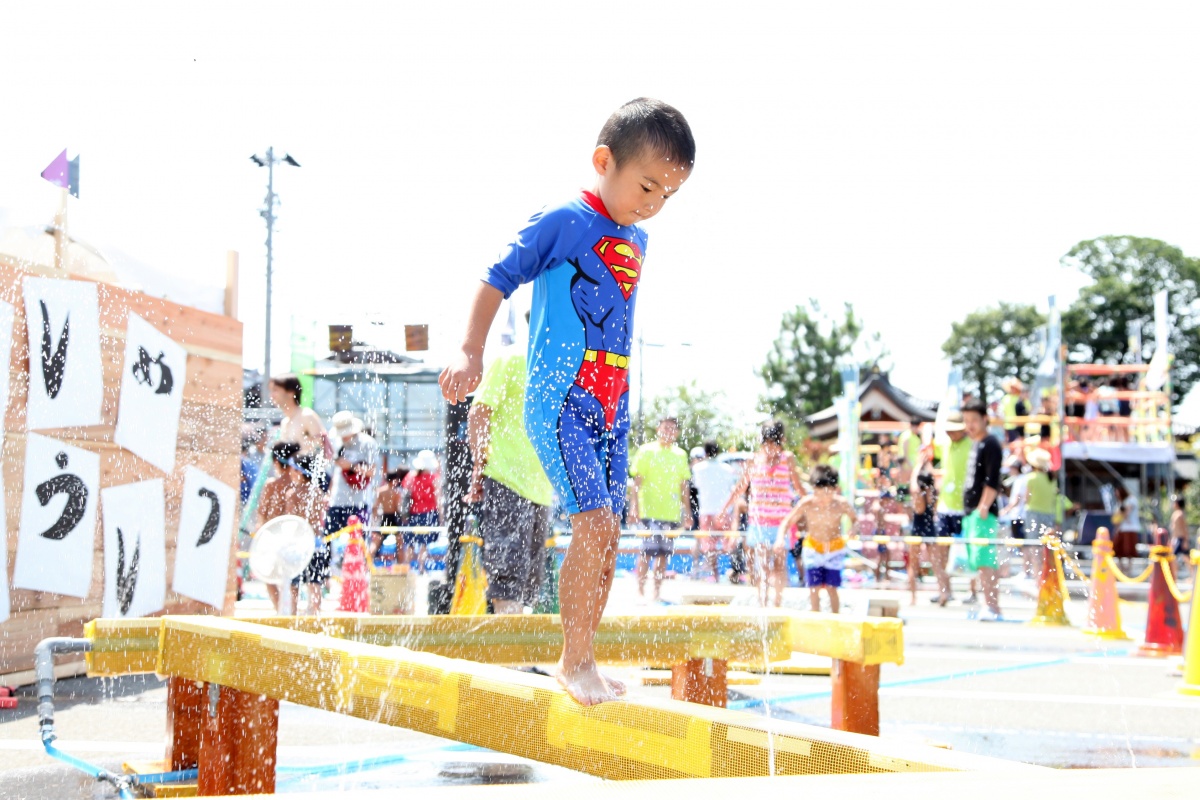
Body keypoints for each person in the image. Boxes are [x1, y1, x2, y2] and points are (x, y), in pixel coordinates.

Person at [437, 97, 695, 705]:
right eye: (647, 186)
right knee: (594, 523)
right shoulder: (566, 218)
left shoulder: (636, 237)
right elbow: (496, 276)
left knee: (609, 534)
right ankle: (572, 661)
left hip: (610, 407)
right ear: (604, 160)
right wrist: (470, 351)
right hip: (560, 401)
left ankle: (587, 657)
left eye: (668, 196)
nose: (653, 204)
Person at [466, 343, 555, 615]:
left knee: (531, 580)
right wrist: (479, 466)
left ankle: (520, 651)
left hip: (541, 487)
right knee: (507, 576)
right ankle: (511, 653)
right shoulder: (510, 356)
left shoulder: (557, 360)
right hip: (506, 479)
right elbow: (479, 412)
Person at [722, 420, 806, 607]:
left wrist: (811, 505)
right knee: (761, 564)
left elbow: (798, 487)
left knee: (779, 563)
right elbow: (740, 487)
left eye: (774, 443)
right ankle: (762, 602)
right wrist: (724, 509)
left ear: (782, 441)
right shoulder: (754, 459)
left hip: (782, 522)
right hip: (759, 521)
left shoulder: (788, 458)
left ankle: (776, 603)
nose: (770, 448)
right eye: (766, 443)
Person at [256, 442, 328, 614]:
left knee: (293, 583)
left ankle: (289, 614)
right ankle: (315, 612)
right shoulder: (317, 491)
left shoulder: (289, 492)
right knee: (315, 581)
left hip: (296, 543)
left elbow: (291, 520)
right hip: (316, 541)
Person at [629, 417, 693, 603]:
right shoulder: (646, 450)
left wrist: (687, 512)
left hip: (671, 512)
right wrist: (634, 506)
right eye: (665, 428)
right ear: (658, 429)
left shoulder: (680, 454)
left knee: (664, 554)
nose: (668, 432)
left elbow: (683, 485)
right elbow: (637, 481)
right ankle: (640, 590)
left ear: (677, 433)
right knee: (646, 552)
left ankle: (656, 592)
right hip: (648, 510)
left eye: (673, 429)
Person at [775, 465, 853, 613]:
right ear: (813, 489)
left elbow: (856, 520)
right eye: (818, 494)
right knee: (813, 588)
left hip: (834, 549)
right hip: (813, 548)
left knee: (832, 588)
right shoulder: (807, 503)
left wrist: (853, 529)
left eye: (827, 494)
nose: (822, 499)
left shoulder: (841, 504)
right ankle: (815, 615)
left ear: (835, 489)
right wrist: (780, 539)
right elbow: (787, 521)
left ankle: (835, 618)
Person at [962, 398, 1004, 621]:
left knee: (985, 560)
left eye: (974, 421)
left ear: (984, 420)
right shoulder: (976, 443)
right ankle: (988, 604)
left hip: (983, 511)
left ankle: (992, 606)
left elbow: (993, 479)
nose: (969, 425)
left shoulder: (991, 443)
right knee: (978, 562)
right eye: (966, 420)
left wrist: (983, 507)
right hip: (973, 510)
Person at [931, 411, 970, 606]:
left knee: (970, 550)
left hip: (965, 506)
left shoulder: (972, 445)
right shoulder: (945, 445)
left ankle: (973, 591)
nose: (950, 434)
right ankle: (944, 590)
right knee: (940, 549)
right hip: (945, 505)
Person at [327, 411, 381, 541]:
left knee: (358, 541)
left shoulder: (367, 443)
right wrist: (329, 493)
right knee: (330, 540)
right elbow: (336, 472)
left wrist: (351, 466)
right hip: (337, 499)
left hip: (359, 500)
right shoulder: (337, 443)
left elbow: (372, 471)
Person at [690, 441, 739, 581]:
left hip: (706, 510)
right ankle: (735, 572)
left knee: (709, 547)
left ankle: (715, 575)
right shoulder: (727, 468)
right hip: (724, 511)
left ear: (705, 453)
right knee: (729, 544)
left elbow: (697, 486)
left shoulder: (698, 468)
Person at [269, 374, 329, 485]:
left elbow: (324, 451)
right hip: (293, 481)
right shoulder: (285, 422)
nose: (271, 395)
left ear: (291, 392)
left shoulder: (307, 416)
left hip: (310, 481)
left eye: (275, 390)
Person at [402, 450, 441, 573]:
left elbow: (404, 495)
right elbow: (438, 499)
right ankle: (421, 568)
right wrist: (441, 515)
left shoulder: (410, 477)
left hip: (413, 514)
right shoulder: (434, 478)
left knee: (410, 544)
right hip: (429, 513)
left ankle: (406, 568)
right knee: (424, 544)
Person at [909, 461, 937, 605]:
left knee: (913, 565)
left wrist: (917, 465)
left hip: (917, 528)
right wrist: (928, 464)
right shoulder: (932, 493)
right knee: (936, 564)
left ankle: (913, 598)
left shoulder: (918, 494)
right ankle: (943, 593)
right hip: (930, 527)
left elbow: (912, 482)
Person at [371, 469, 408, 567]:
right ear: (393, 480)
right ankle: (401, 565)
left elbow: (375, 506)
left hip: (384, 517)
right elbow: (397, 507)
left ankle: (368, 563)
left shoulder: (380, 491)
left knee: (376, 542)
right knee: (400, 543)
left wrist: (374, 520)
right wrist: (403, 518)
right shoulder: (396, 492)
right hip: (394, 517)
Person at [1113, 484, 1141, 572]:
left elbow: (1125, 511)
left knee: (1129, 549)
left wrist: (1120, 514)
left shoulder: (1131, 500)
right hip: (1122, 528)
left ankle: (1128, 568)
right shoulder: (1121, 502)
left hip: (1130, 528)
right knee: (1117, 549)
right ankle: (1122, 568)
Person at [1169, 496, 1191, 577]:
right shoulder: (1175, 514)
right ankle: (1174, 575)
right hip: (1176, 539)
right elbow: (1173, 528)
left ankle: (1192, 576)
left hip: (1181, 539)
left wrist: (1186, 540)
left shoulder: (1180, 514)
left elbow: (1184, 528)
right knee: (1184, 558)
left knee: (1185, 558)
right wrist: (1172, 539)